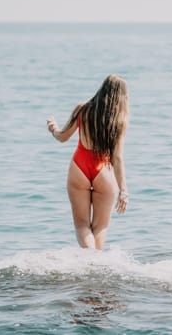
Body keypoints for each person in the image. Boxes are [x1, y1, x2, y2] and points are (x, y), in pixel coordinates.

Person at [46, 75, 129, 250]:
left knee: (82, 225)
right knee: (100, 227)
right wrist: (123, 189)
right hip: (103, 171)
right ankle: (96, 264)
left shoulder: (82, 109)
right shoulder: (119, 121)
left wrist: (53, 128)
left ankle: (91, 260)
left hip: (80, 167)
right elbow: (117, 157)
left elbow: (62, 137)